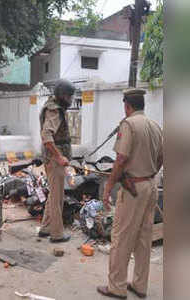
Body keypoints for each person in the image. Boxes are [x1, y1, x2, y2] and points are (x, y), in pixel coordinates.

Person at [97, 89, 163, 299]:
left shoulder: (128, 125)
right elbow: (162, 157)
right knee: (144, 238)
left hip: (133, 188)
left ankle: (117, 287)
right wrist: (149, 172)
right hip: (151, 185)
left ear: (127, 105)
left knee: (122, 237)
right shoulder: (155, 126)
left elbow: (120, 159)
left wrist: (108, 187)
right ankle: (140, 285)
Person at [38, 79, 75, 243]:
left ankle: (46, 228)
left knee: (54, 194)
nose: (71, 100)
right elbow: (46, 136)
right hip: (55, 160)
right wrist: (59, 156)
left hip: (53, 158)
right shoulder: (54, 110)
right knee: (58, 197)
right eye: (69, 96)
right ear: (62, 95)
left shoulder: (54, 107)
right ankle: (57, 234)